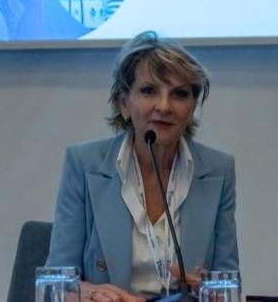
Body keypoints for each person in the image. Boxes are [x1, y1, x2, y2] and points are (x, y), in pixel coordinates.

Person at [46, 31, 239, 302]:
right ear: (123, 103)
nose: (164, 106)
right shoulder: (84, 164)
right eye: (149, 91)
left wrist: (209, 290)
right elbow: (55, 284)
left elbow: (228, 283)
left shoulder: (218, 171)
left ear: (192, 107)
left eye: (179, 94)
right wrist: (88, 293)